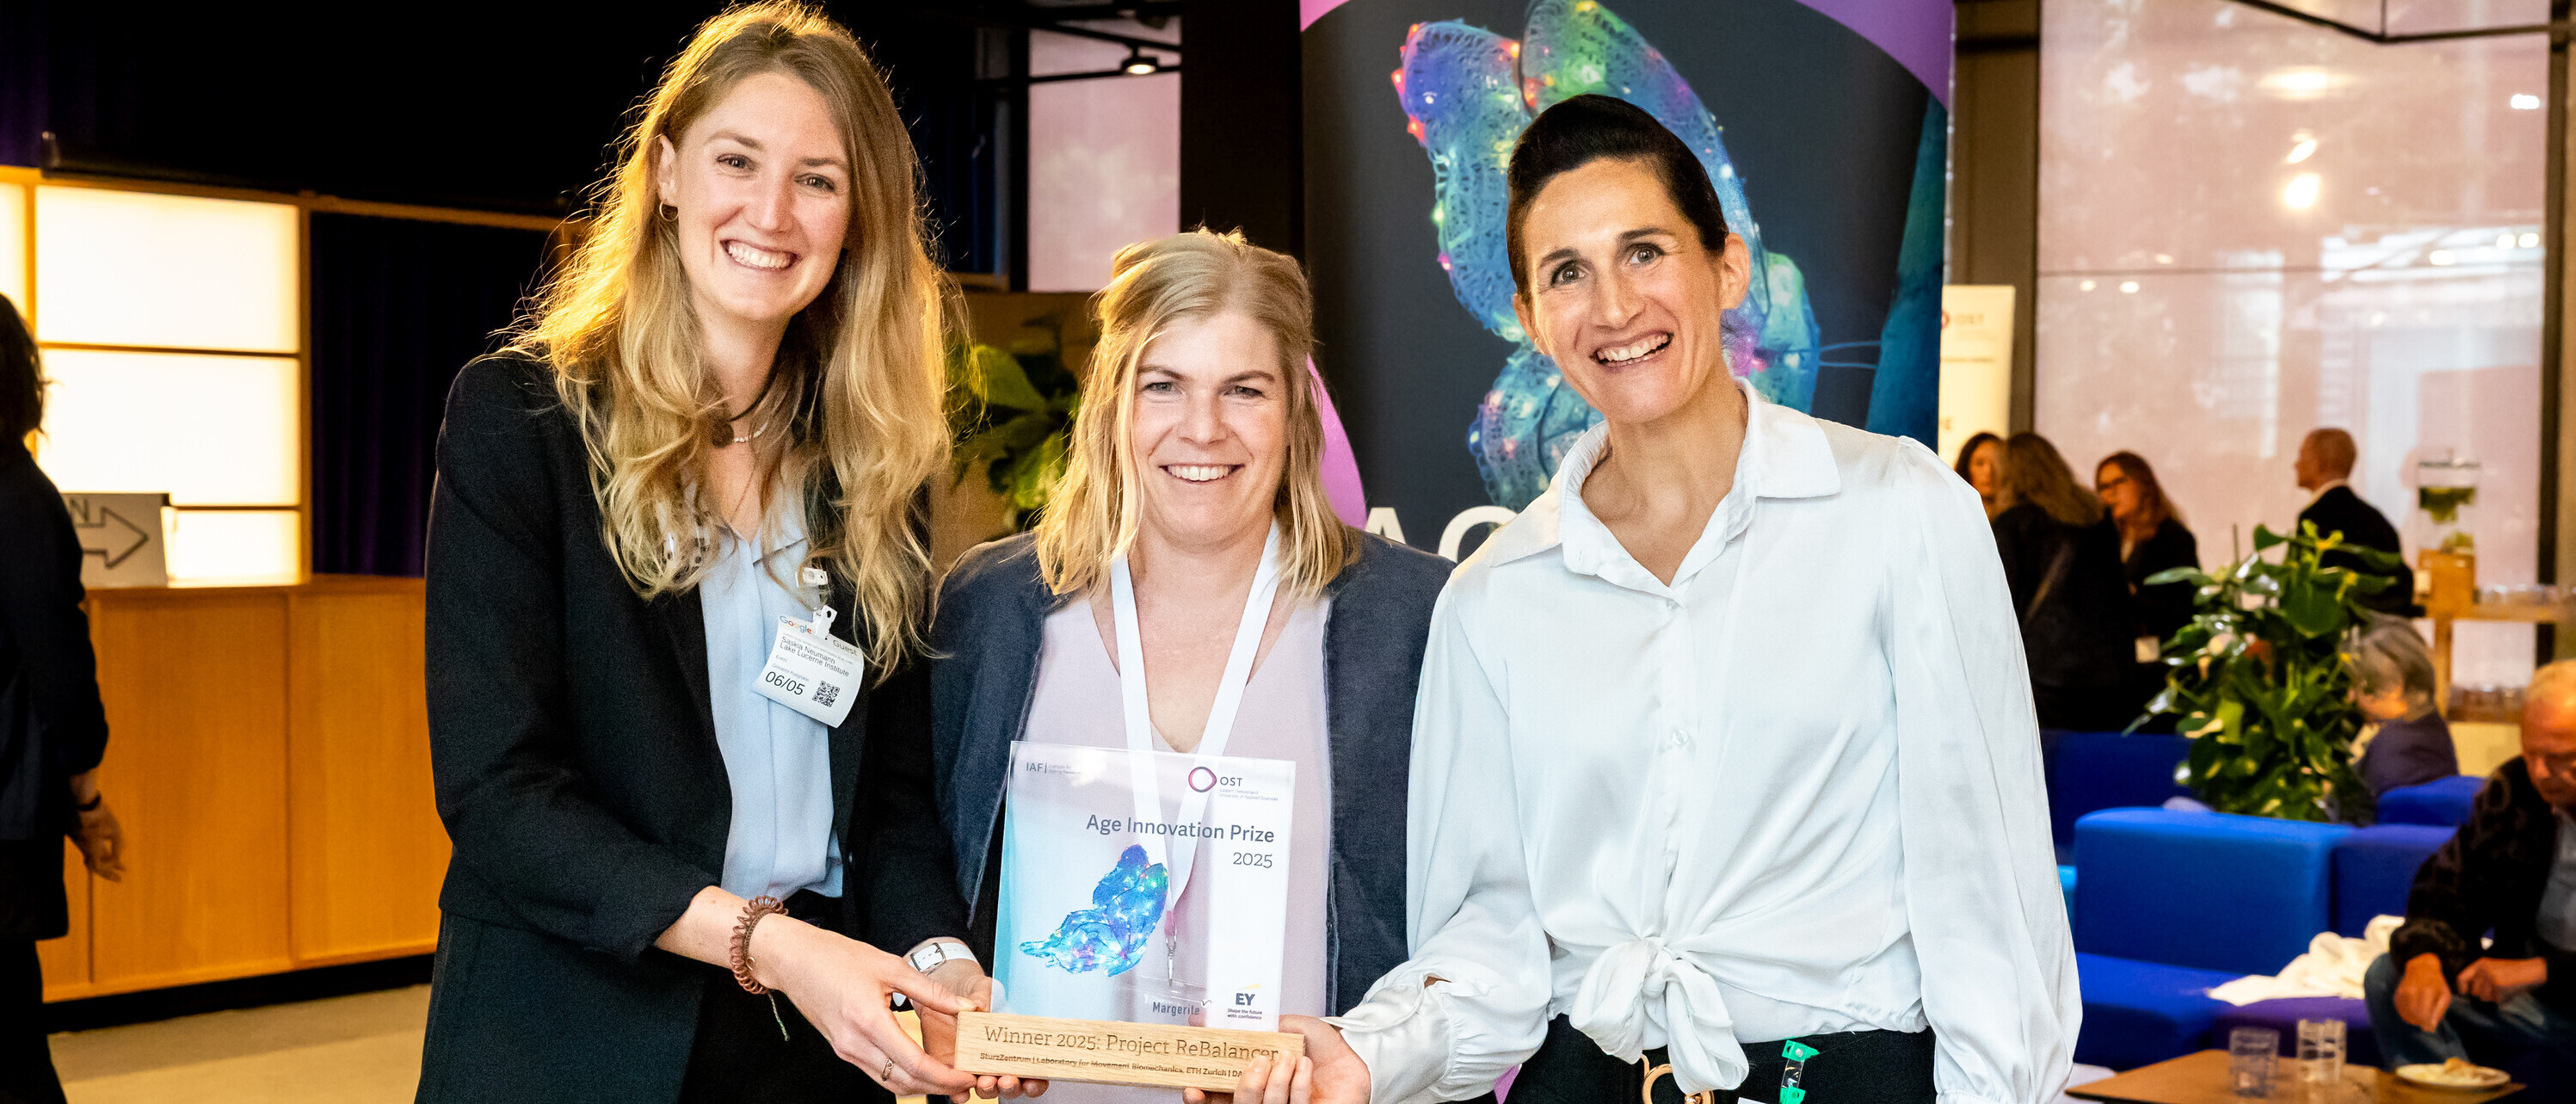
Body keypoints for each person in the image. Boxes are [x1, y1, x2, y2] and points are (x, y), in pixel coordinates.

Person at [1253, 94, 2076, 1104]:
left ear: (1727, 266)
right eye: (1567, 272)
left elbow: (1986, 890)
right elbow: (1492, 937)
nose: (1612, 307)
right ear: (1530, 319)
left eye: (1644, 251)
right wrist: (1370, 1051)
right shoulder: (1495, 595)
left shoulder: (1897, 510)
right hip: (1585, 1082)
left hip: (1834, 1076)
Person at [418, 6, 986, 1100]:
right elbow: (501, 792)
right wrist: (765, 942)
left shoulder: (873, 462)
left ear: (859, 215)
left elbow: (891, 799)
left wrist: (938, 959)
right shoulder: (524, 422)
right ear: (668, 171)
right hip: (571, 1031)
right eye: (737, 160)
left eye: (817, 179)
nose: (771, 212)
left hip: (809, 1038)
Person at [925, 230, 1454, 1104]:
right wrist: (942, 962)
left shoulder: (1412, 621)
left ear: (1296, 412)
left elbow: (1485, 920)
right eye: (1163, 385)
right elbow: (905, 831)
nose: (1203, 428)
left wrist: (1377, 1048)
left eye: (1244, 389)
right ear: (1113, 404)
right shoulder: (992, 607)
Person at [0, 294, 126, 1104]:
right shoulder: (18, 496)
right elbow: (58, 665)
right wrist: (87, 795)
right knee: (11, 1049)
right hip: (2, 815)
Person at [2364, 660, 2576, 1076]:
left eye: (2559, 758)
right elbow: (2447, 891)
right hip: (2536, 1004)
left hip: (2557, 989)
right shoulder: (2515, 792)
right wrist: (2426, 955)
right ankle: (2448, 1091)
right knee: (2388, 977)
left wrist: (2540, 971)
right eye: (2530, 753)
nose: (2539, 772)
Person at [1992, 434, 2137, 731]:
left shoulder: (2012, 523)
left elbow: (2004, 603)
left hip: (2044, 675)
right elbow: (2117, 599)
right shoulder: (2096, 517)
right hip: (2108, 675)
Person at [2095, 452, 2197, 726]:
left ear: (2142, 483)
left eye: (2118, 482)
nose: (2110, 493)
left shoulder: (2173, 537)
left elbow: (2185, 606)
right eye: (2103, 487)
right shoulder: (2103, 539)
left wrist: (2134, 598)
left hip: (2162, 670)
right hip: (2117, 672)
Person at [2295, 428, 2414, 614]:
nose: (2296, 464)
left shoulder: (2314, 518)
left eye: (2302, 456)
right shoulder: (2379, 521)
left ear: (2319, 461)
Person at [2348, 618, 2457, 798]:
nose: (2352, 697)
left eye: (2360, 686)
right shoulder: (2432, 726)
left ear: (2395, 688)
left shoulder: (2395, 749)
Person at [1955, 430, 2005, 519]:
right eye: (1979, 463)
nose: (1988, 471)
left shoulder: (2016, 519)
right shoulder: (1954, 514)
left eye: (1996, 463)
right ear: (1966, 467)